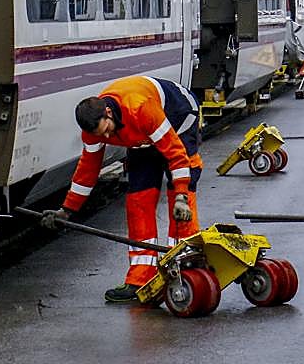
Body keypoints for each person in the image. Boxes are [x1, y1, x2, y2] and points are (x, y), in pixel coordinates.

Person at [43, 75, 202, 303]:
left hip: (178, 118)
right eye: (101, 135)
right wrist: (66, 211)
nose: (106, 137)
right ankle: (141, 280)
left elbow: (176, 155)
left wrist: (181, 196)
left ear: (108, 113)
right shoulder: (93, 130)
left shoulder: (140, 108)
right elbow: (87, 171)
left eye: (106, 130)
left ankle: (187, 269)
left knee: (180, 205)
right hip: (139, 137)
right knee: (138, 201)